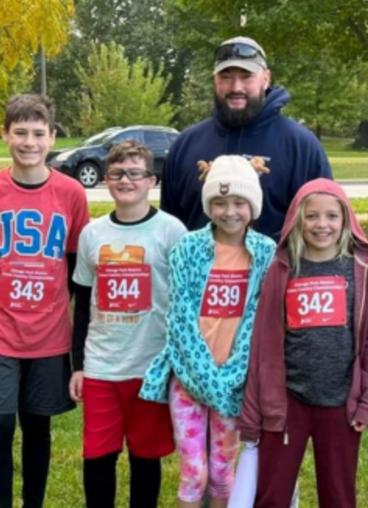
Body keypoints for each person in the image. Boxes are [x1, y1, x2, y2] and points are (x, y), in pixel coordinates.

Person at [0, 94, 90, 508]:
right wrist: (2, 302)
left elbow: (74, 263)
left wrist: (50, 303)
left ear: (52, 137)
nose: (29, 142)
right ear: (5, 134)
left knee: (37, 425)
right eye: (20, 132)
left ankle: (32, 502)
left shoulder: (71, 194)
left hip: (49, 332)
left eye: (38, 133)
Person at [140, 155, 276, 508]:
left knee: (220, 473)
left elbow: (258, 322)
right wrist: (203, 376)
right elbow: (180, 317)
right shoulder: (189, 248)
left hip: (236, 381)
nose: (229, 212)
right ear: (208, 205)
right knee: (193, 473)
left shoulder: (265, 253)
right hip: (187, 378)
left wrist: (229, 376)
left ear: (253, 205)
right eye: (219, 202)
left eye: (238, 203)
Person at [238, 178, 368, 508]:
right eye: (312, 216)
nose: (322, 225)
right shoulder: (281, 271)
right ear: (296, 219)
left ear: (346, 221)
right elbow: (262, 342)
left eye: (332, 216)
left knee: (338, 496)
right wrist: (254, 410)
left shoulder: (362, 272)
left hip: (341, 404)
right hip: (288, 403)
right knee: (271, 495)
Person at [68, 140, 186, 508]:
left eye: (135, 173)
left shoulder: (172, 232)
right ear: (106, 180)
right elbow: (84, 305)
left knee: (145, 455)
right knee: (98, 456)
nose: (125, 180)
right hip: (103, 364)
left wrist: (178, 365)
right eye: (117, 173)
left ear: (151, 180)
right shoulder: (93, 233)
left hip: (151, 366)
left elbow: (184, 304)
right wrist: (79, 366)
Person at [160, 36, 332, 241]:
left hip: (277, 272)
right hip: (197, 272)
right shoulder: (185, 146)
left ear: (266, 78)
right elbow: (170, 231)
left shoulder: (301, 146)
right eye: (225, 76)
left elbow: (325, 230)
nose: (236, 87)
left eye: (246, 76)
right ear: (214, 79)